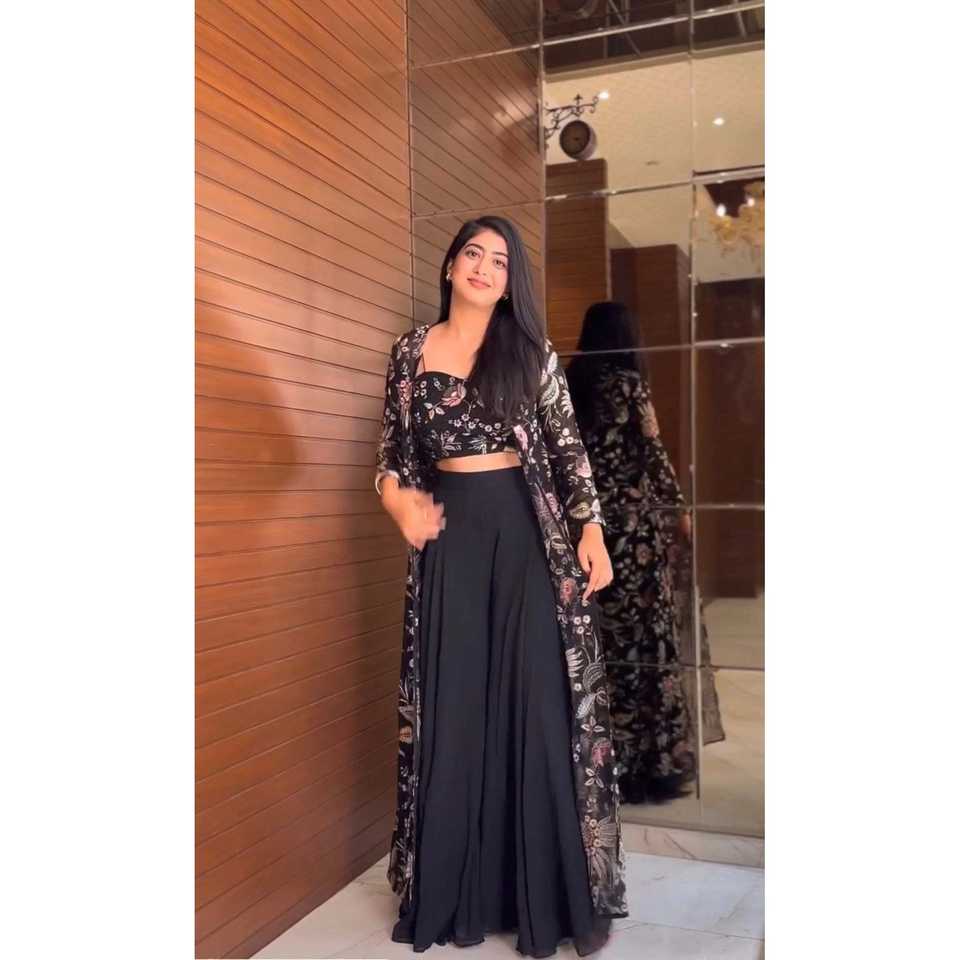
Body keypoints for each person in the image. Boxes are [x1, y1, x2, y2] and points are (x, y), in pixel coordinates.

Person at [374, 217, 629, 957]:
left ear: (510, 281)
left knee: (535, 704)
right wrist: (397, 502)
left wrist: (590, 529)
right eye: (473, 254)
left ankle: (541, 895)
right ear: (450, 266)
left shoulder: (530, 352)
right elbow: (392, 453)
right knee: (454, 705)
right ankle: (460, 893)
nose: (484, 268)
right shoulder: (410, 351)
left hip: (525, 534)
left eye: (499, 261)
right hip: (450, 541)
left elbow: (569, 451)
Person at [565, 302, 723, 805]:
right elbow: (652, 453)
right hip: (634, 535)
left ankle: (598, 760)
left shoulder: (571, 383)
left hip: (589, 529)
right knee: (645, 644)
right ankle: (645, 766)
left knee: (602, 643)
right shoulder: (630, 385)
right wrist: (681, 511)